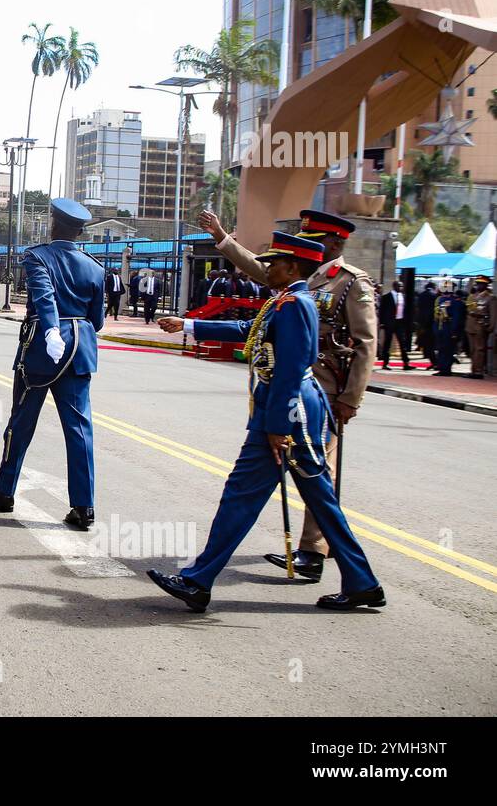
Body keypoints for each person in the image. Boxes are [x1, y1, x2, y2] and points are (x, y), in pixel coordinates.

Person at [149, 231, 384, 613]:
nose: (268, 267)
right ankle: (362, 582)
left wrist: (277, 426)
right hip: (288, 408)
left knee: (243, 495)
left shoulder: (293, 304)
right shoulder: (286, 301)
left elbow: (291, 368)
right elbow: (249, 331)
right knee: (315, 499)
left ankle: (198, 580)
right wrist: (189, 325)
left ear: (292, 267)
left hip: (287, 412)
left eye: (274, 262)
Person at [201, 207, 376, 582]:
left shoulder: (349, 281)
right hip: (292, 385)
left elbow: (365, 344)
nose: (307, 245)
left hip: (324, 386)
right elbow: (259, 269)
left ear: (334, 243)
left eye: (315, 240)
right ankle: (353, 575)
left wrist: (351, 398)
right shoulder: (299, 277)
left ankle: (314, 551)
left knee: (316, 476)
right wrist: (222, 237)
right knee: (312, 480)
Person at [0, 199, 105, 528]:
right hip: (79, 352)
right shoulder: (94, 267)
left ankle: (5, 490)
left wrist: (50, 330)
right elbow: (98, 320)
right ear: (79, 232)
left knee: (20, 423)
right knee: (79, 431)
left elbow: (44, 295)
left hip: (42, 351)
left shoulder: (38, 257)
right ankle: (83, 506)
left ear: (53, 225)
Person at [432, 279, 466, 376]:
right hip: (440, 327)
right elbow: (436, 316)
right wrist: (435, 329)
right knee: (441, 349)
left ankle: (446, 369)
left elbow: (456, 317)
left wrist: (454, 331)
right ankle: (442, 368)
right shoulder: (440, 300)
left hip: (449, 328)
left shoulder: (456, 302)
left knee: (448, 349)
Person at [378, 280, 412, 370]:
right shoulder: (386, 297)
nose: (401, 288)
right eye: (399, 286)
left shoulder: (403, 296)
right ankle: (385, 363)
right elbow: (381, 311)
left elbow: (406, 310)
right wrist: (382, 323)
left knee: (402, 343)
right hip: (389, 323)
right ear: (394, 286)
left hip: (399, 322)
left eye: (402, 286)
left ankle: (406, 363)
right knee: (387, 343)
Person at [465, 275, 495, 378]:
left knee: (479, 349)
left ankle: (478, 371)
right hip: (471, 325)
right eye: (477, 283)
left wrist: (491, 326)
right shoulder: (473, 296)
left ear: (486, 285)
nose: (478, 285)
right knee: (472, 349)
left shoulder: (490, 298)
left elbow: (493, 313)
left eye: (481, 284)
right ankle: (473, 370)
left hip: (481, 325)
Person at [415, 281, 438, 368]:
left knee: (427, 344)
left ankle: (433, 361)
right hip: (431, 322)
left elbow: (418, 309)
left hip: (422, 322)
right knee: (432, 344)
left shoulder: (421, 295)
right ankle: (435, 362)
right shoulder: (434, 296)